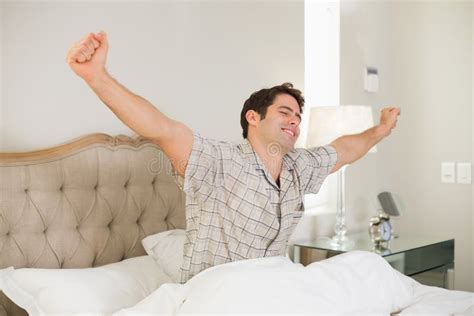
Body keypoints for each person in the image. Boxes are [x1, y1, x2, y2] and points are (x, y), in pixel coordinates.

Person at [66, 31, 400, 283]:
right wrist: (97, 76)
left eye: (298, 116)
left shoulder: (299, 167)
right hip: (219, 294)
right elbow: (162, 129)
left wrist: (380, 131)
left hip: (272, 288)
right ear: (253, 117)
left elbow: (343, 150)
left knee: (366, 267)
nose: (295, 121)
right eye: (285, 112)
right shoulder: (218, 161)